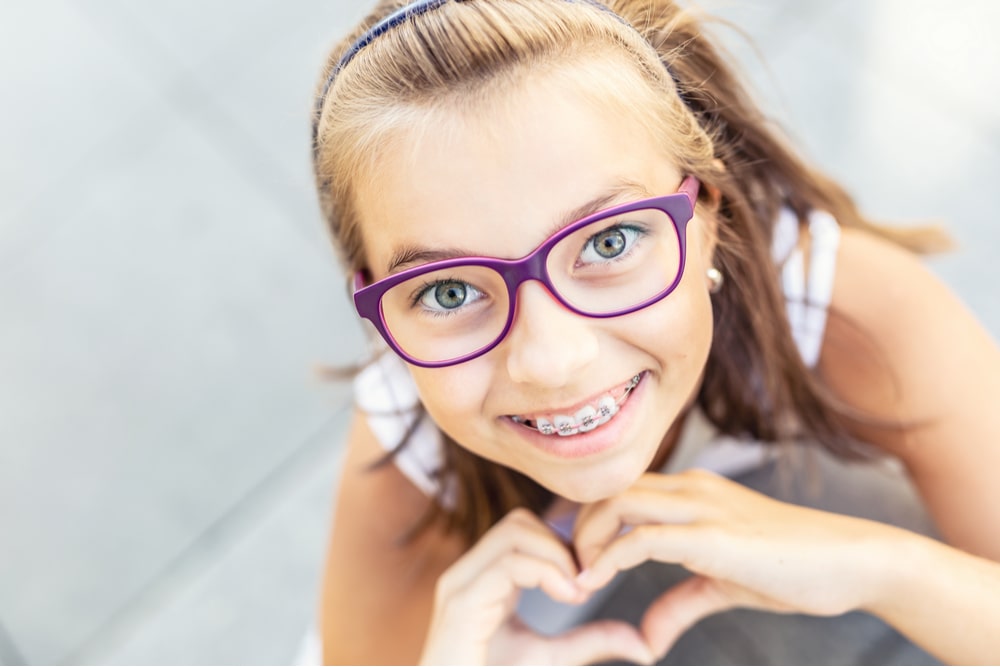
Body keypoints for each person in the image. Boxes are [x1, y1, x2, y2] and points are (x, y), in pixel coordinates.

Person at [308, 0, 1000, 664]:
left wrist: (879, 568)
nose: (553, 360)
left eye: (610, 242)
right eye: (448, 290)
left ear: (705, 214)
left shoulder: (852, 312)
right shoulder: (407, 421)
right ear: (371, 297)